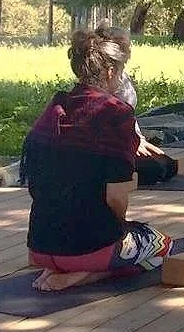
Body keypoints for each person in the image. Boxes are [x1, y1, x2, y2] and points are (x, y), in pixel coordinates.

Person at [24, 29, 173, 292]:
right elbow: (116, 198)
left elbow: (34, 183)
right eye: (121, 70)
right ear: (110, 71)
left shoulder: (55, 107)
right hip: (88, 248)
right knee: (163, 246)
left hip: (40, 245)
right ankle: (85, 275)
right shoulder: (116, 114)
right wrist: (118, 229)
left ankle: (60, 267)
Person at [100, 26, 180, 188]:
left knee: (170, 165)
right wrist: (134, 144)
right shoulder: (106, 81)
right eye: (128, 44)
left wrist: (140, 140)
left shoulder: (123, 75)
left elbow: (129, 116)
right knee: (159, 169)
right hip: (115, 146)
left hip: (131, 138)